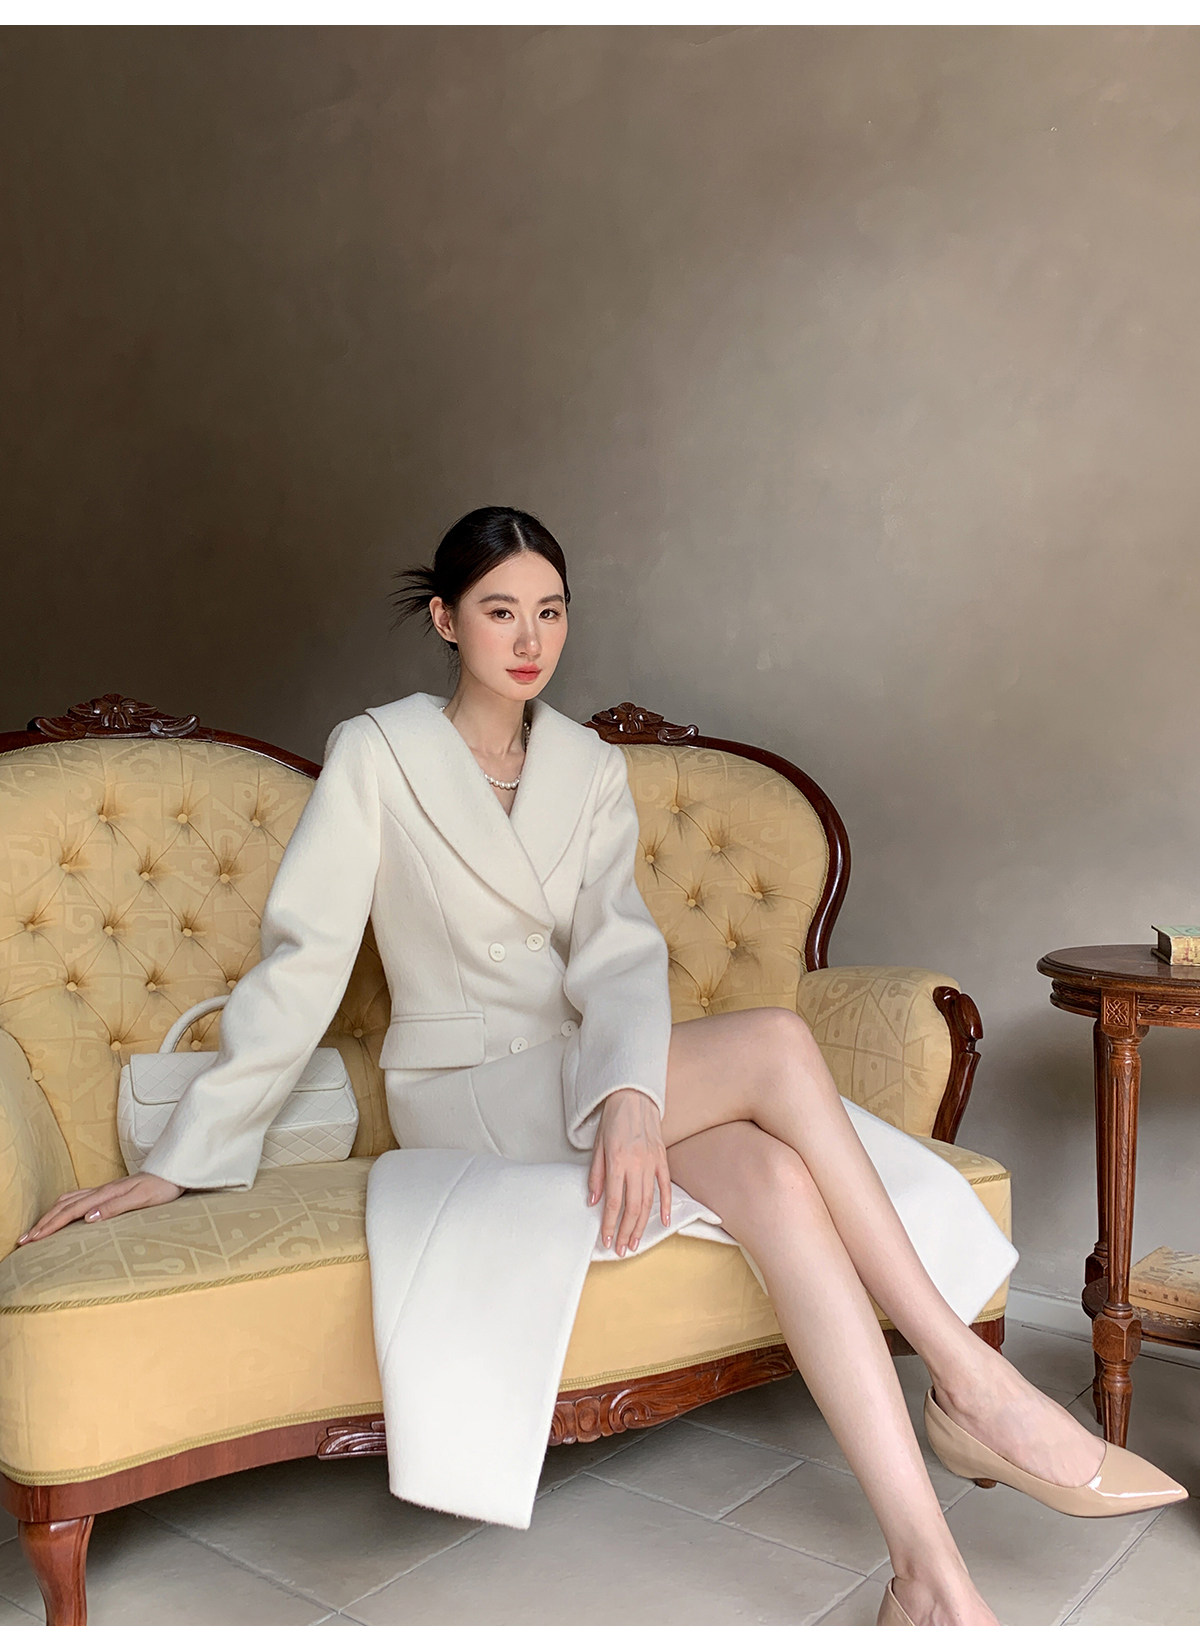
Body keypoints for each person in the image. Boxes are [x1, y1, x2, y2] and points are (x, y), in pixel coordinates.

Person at [18, 506, 1185, 1628]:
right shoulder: (378, 752)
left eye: (551, 610)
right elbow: (304, 962)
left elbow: (621, 956)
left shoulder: (583, 765)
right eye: (499, 610)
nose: (530, 638)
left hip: (573, 1066)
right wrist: (182, 1158)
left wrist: (630, 1093)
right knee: (778, 1044)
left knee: (777, 1180)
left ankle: (928, 1576)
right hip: (462, 1089)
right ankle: (971, 1381)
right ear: (446, 620)